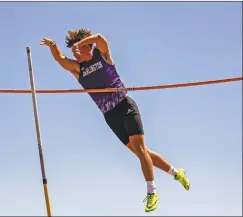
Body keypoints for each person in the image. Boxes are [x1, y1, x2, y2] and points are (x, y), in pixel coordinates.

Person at [40, 28, 190, 212]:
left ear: (87, 46)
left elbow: (100, 38)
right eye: (73, 51)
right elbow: (60, 59)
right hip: (110, 116)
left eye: (78, 49)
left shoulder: (101, 55)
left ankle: (152, 192)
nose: (75, 53)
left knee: (141, 149)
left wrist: (79, 44)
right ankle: (176, 172)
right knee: (143, 154)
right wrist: (53, 46)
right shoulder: (78, 69)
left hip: (124, 105)